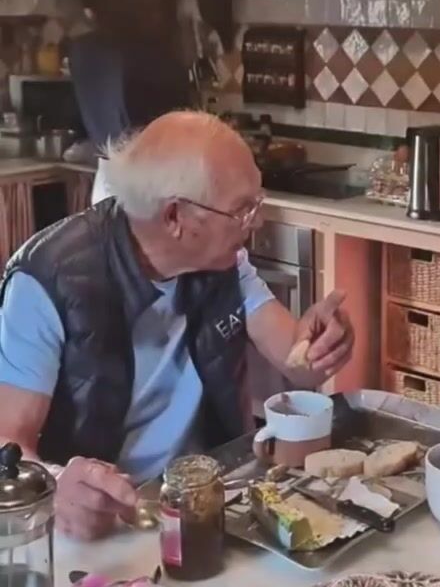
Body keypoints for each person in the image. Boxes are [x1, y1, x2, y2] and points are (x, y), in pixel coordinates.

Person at [0, 111, 354, 540]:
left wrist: (322, 343)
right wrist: (58, 489)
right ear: (174, 217)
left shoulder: (226, 265)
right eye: (242, 209)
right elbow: (8, 449)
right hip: (109, 524)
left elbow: (298, 363)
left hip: (209, 500)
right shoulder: (47, 280)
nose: (256, 222)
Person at [68, 0, 193, 203]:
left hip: (107, 185)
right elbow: (178, 136)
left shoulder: (84, 49)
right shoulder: (155, 59)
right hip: (155, 187)